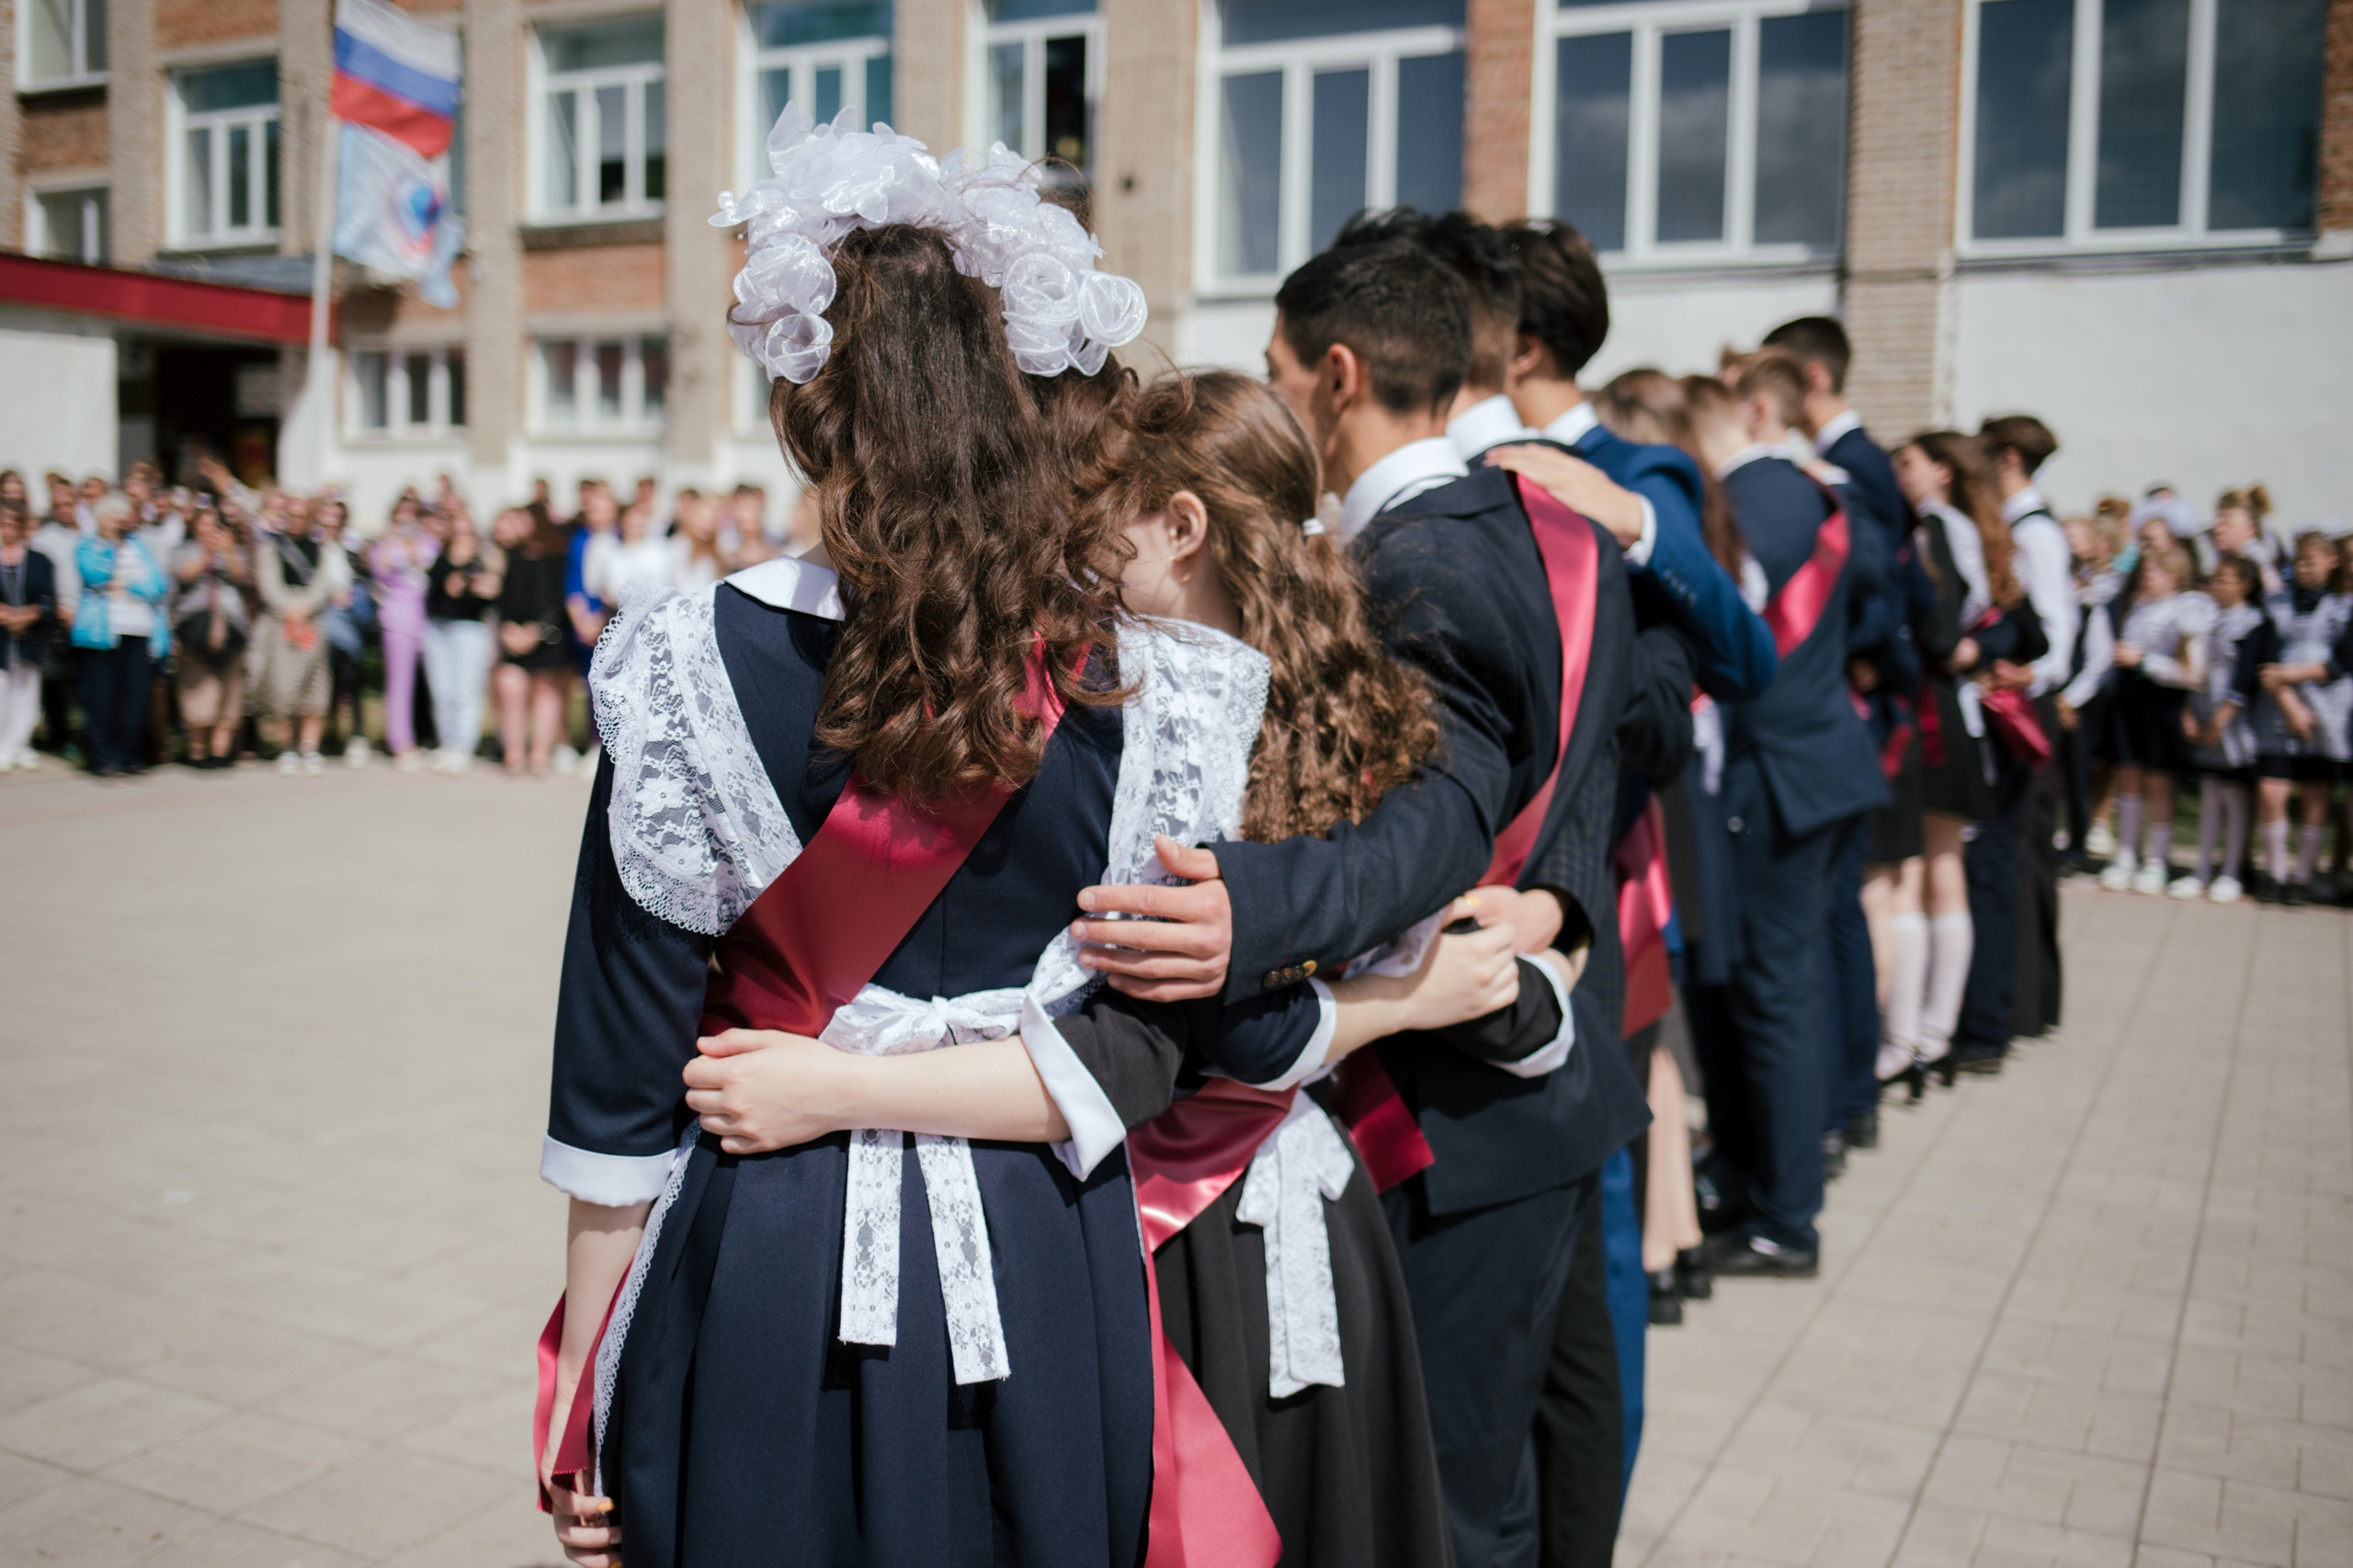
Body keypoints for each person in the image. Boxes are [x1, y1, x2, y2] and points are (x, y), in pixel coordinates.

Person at [539, 120, 1183, 1568]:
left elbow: (616, 1097)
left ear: (804, 410)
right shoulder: (1137, 676)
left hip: (768, 1244)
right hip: (1042, 1246)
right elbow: (1156, 1038)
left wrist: (582, 1406)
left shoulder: (683, 661)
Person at [1677, 359, 1887, 1278]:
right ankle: (1760, 1175)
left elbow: (1717, 608)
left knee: (1770, 992)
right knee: (1766, 986)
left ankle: (1785, 1215)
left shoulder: (1761, 491)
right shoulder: (1813, 489)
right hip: (1815, 758)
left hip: (1778, 776)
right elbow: (1876, 590)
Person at [1877, 433, 2036, 1089]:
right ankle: (1932, 1034)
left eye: (1907, 462)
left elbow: (1943, 630)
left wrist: (1952, 649)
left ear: (1941, 472)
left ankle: (1909, 1038)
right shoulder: (1973, 529)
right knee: (1941, 872)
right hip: (1951, 713)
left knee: (1917, 875)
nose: (1897, 472)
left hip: (1931, 713)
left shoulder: (1935, 527)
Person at [1976, 415, 2075, 1043]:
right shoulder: (2022, 526)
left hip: (2025, 707)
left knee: (2021, 851)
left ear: (2008, 458)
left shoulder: (2034, 532)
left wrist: (2027, 672)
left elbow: (2058, 632)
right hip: (2019, 700)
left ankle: (2024, 1001)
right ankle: (2023, 998)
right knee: (2018, 848)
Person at [2245, 530, 2353, 905]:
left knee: (2315, 794)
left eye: (2310, 561)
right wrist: (2288, 699)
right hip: (2279, 705)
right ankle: (2275, 871)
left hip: (2325, 709)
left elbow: (2344, 660)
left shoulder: (2343, 605)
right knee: (2270, 789)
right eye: (2298, 561)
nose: (2303, 568)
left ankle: (2303, 876)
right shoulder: (2278, 604)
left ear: (2331, 562)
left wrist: (2294, 675)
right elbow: (2267, 656)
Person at [2097, 542, 2210, 895]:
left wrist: (2144, 661)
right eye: (2145, 572)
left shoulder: (2186, 609)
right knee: (2128, 776)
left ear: (2174, 576)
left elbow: (2192, 673)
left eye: (2154, 572)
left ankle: (2157, 860)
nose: (2146, 577)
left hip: (2162, 702)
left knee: (2159, 782)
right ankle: (2126, 854)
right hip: (2129, 699)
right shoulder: (2136, 606)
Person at [2178, 553, 2265, 903]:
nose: (2215, 585)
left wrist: (2221, 718)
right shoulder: (2207, 618)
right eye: (2213, 579)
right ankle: (2202, 868)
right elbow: (2196, 666)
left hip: (2233, 723)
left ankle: (2231, 870)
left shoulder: (2253, 622)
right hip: (2203, 712)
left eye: (2223, 580)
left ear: (2244, 585)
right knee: (2210, 793)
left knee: (2234, 794)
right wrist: (2189, 709)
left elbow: (2246, 676)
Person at [72, 493, 171, 778]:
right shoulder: (88, 546)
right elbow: (96, 576)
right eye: (114, 518)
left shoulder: (139, 546)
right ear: (102, 520)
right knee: (103, 698)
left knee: (137, 697)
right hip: (102, 634)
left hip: (139, 631)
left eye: (123, 518)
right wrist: (111, 547)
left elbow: (157, 586)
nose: (120, 523)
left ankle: (132, 756)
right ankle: (105, 758)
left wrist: (128, 585)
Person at [251, 495, 351, 775]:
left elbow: (324, 583)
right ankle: (288, 747)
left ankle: (310, 747)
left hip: (312, 620)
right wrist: (289, 609)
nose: (296, 521)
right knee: (285, 685)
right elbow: (268, 584)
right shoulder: (270, 548)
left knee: (315, 686)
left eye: (301, 516)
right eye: (291, 515)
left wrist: (306, 607)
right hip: (281, 623)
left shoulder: (322, 549)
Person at [169, 503, 253, 769]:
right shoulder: (183, 550)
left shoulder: (235, 551)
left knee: (229, 690)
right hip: (194, 627)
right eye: (203, 525)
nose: (209, 531)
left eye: (214, 526)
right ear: (194, 526)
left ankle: (220, 750)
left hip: (232, 626)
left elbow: (241, 576)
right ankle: (197, 750)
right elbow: (185, 576)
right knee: (197, 689)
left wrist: (227, 551)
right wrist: (206, 554)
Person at [493, 504, 573, 778]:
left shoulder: (557, 559)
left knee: (544, 691)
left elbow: (559, 603)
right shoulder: (511, 558)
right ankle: (514, 753)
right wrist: (508, 629)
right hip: (514, 636)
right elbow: (502, 600)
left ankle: (540, 755)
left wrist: (535, 631)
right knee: (510, 685)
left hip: (548, 637)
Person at [423, 507, 503, 774]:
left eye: (466, 531)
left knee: (466, 691)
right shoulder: (440, 556)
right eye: (457, 531)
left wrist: (483, 582)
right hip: (437, 627)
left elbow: (493, 589)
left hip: (469, 630)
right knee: (442, 690)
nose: (461, 536)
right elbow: (438, 587)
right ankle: (447, 742)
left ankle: (464, 746)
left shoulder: (482, 559)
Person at [369, 497, 441, 770]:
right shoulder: (386, 545)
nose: (407, 522)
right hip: (399, 618)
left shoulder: (430, 543)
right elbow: (380, 570)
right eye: (401, 516)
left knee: (432, 684)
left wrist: (414, 548)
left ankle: (434, 738)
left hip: (430, 620)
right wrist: (392, 541)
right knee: (400, 683)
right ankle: (400, 742)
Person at [0, 499, 61, 769]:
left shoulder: (39, 560)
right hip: (2, 638)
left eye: (14, 523)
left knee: (28, 692)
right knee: (2, 691)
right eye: (4, 523)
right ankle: (2, 745)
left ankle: (21, 744)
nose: (8, 528)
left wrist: (28, 615)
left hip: (30, 638)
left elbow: (49, 599)